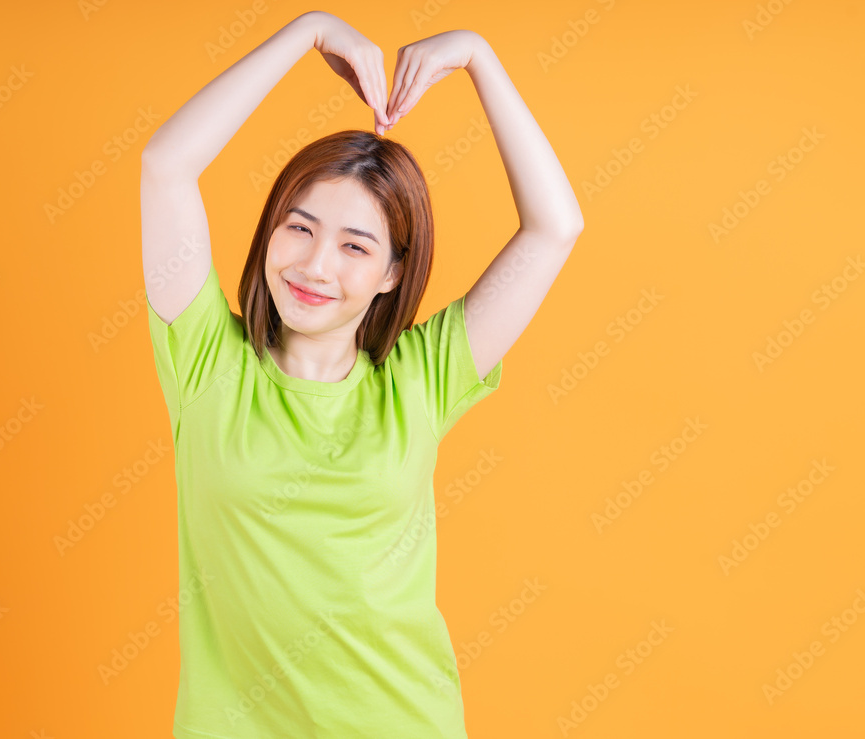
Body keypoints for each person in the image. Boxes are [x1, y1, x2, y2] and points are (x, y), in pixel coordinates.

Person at [141, 10, 583, 738]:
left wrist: (478, 57)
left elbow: (554, 227)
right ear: (272, 230)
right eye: (300, 226)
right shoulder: (205, 363)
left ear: (390, 273)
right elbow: (166, 166)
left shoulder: (423, 378)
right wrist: (306, 31)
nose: (315, 265)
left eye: (354, 245)